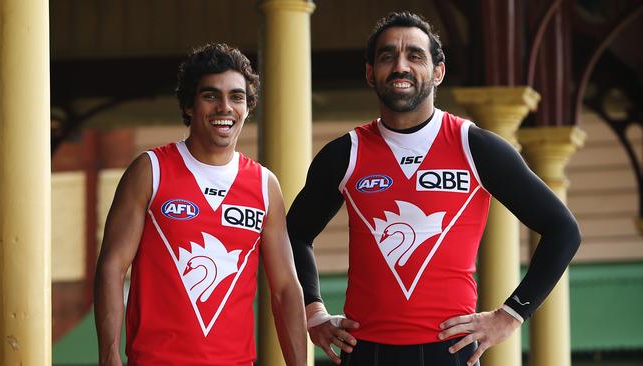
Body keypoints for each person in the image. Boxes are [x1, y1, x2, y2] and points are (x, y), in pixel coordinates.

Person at [287, 11, 581, 366]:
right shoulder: (344, 154)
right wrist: (313, 311)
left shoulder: (476, 147)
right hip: (365, 351)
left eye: (414, 55)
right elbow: (294, 234)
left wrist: (510, 316)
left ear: (438, 72)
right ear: (370, 73)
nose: (400, 66)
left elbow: (563, 230)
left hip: (450, 352)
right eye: (387, 57)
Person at [94, 43, 307, 366]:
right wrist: (109, 359)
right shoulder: (150, 170)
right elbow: (112, 267)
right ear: (189, 105)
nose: (225, 107)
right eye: (211, 96)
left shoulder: (265, 186)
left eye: (236, 97)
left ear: (248, 107)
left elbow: (286, 289)